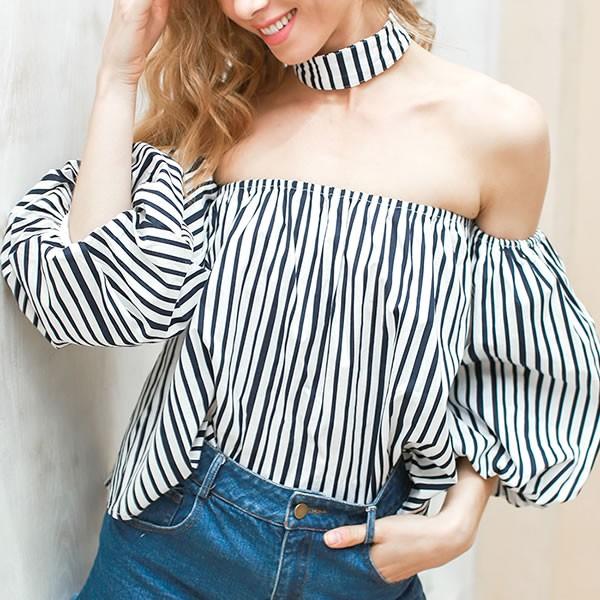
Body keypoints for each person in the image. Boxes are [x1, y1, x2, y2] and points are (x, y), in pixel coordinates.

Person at [2, 0, 599, 598]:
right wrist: (118, 78)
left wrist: (459, 521)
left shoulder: (500, 131)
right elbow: (89, 301)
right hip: (171, 547)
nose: (245, 7)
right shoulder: (226, 114)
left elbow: (510, 360)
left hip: (356, 564)